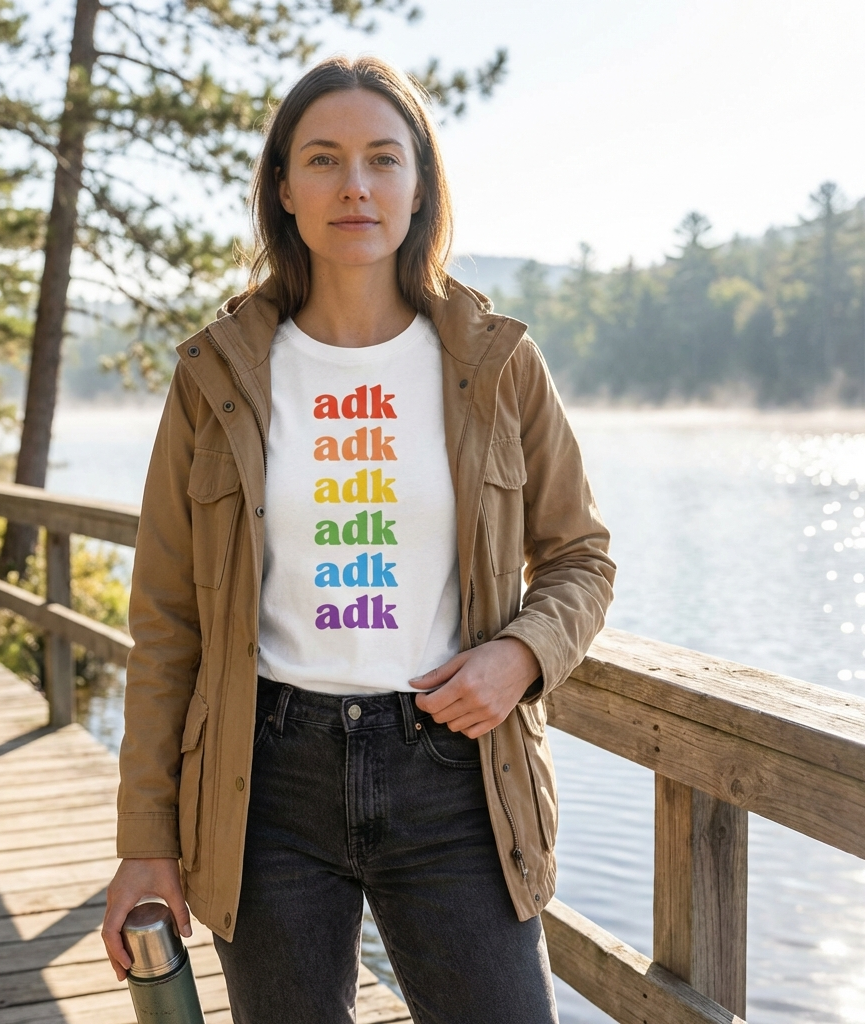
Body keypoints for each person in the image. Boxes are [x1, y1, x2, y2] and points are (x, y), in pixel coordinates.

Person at [102, 54, 615, 1024]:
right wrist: (146, 837)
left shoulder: (496, 362)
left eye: (383, 158)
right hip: (265, 785)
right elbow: (166, 621)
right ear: (283, 189)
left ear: (419, 186)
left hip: (457, 779)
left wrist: (520, 653)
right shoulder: (217, 376)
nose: (355, 185)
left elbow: (580, 555)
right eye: (324, 159)